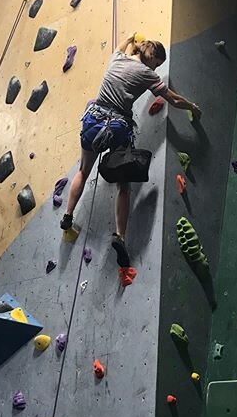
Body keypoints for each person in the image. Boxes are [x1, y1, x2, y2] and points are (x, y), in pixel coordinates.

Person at [60, 34, 201, 267]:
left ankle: (68, 215)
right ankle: (120, 236)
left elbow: (120, 46)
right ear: (152, 57)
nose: (156, 68)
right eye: (157, 63)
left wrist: (129, 38)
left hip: (93, 120)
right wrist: (192, 107)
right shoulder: (147, 74)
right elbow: (173, 100)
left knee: (83, 171)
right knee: (123, 185)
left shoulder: (116, 58)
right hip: (117, 126)